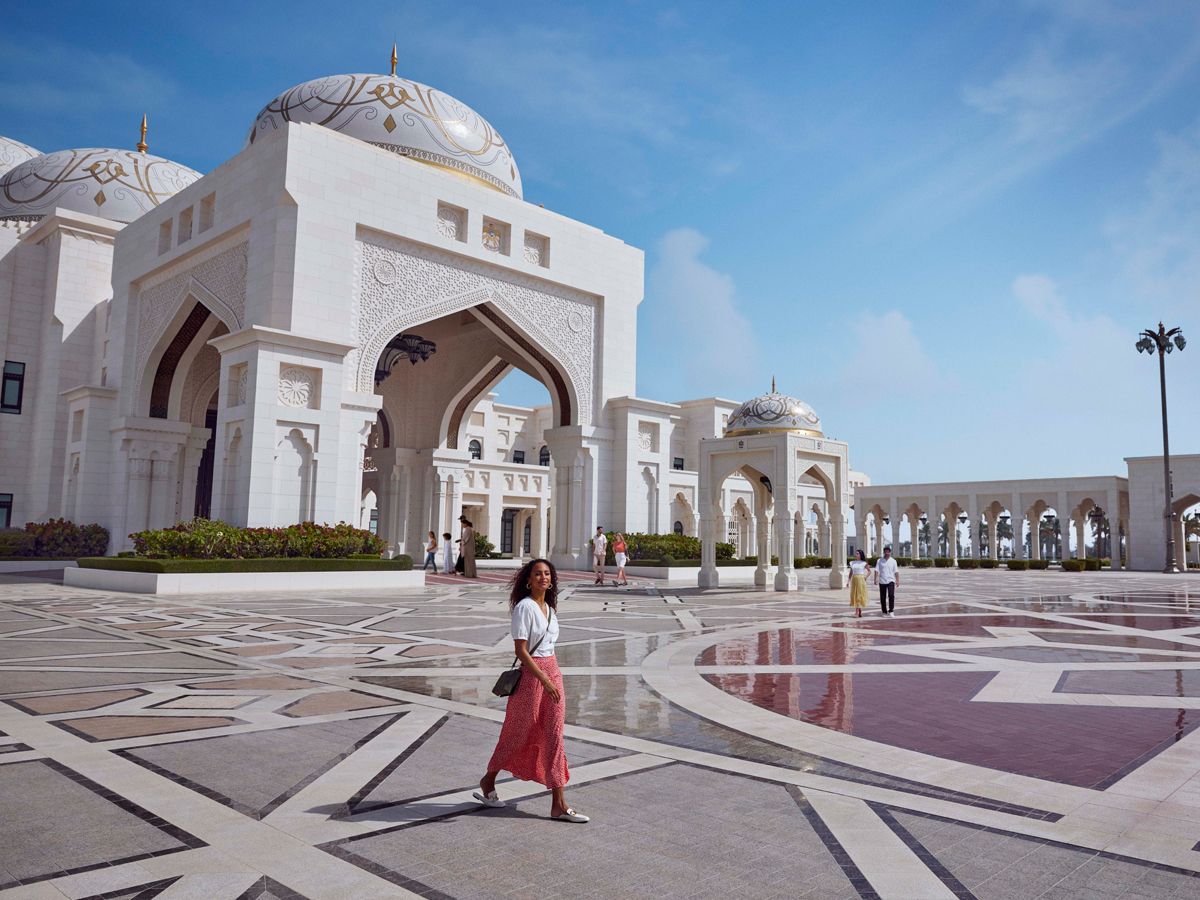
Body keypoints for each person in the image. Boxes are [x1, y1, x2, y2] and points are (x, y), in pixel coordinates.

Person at [474, 558, 589, 823]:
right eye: (537, 574)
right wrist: (544, 680)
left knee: (554, 736)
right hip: (531, 677)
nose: (543, 577)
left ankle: (558, 805)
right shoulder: (524, 607)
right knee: (517, 733)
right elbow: (521, 651)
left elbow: (549, 646)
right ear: (528, 579)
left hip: (553, 672)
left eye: (547, 573)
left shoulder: (549, 608)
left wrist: (551, 678)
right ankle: (488, 779)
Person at [874, 544, 900, 617]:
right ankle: (884, 611)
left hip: (891, 580)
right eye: (886, 552)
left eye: (888, 552)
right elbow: (876, 570)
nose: (887, 553)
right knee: (882, 597)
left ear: (890, 552)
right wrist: (875, 579)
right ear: (884, 552)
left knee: (891, 595)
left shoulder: (893, 561)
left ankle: (891, 610)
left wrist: (897, 581)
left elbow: (896, 571)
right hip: (882, 581)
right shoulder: (879, 561)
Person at [848, 549, 871, 618]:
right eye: (856, 553)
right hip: (854, 579)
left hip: (860, 580)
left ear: (860, 555)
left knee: (859, 595)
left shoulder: (863, 563)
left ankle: (856, 613)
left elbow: (869, 571)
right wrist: (848, 581)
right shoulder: (852, 563)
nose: (856, 555)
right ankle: (860, 610)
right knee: (855, 595)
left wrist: (865, 577)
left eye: (857, 554)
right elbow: (850, 573)